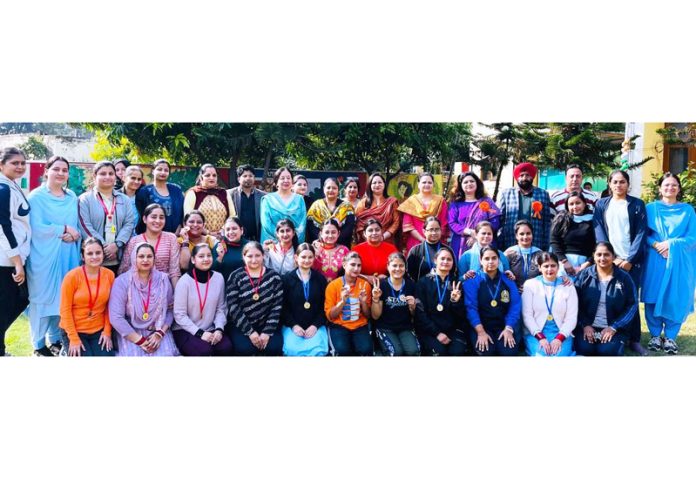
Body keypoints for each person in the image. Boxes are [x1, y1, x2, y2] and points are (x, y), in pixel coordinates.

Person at [27, 156, 81, 356]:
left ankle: (55, 339)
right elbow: (36, 227)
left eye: (65, 170)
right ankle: (38, 345)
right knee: (42, 300)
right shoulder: (36, 197)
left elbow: (76, 225)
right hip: (44, 257)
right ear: (46, 171)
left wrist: (73, 234)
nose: (60, 173)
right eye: (56, 169)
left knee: (63, 299)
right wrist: (63, 228)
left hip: (67, 254)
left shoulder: (72, 197)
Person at [593, 169, 647, 356]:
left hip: (631, 263)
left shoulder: (637, 204)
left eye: (622, 182)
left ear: (628, 184)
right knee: (607, 298)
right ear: (609, 184)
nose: (618, 185)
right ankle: (612, 334)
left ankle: (634, 340)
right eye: (615, 182)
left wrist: (629, 260)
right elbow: (599, 230)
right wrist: (613, 257)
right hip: (607, 260)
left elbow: (641, 233)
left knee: (631, 299)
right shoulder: (601, 204)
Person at [642, 172, 696, 354]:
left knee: (676, 297)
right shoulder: (650, 208)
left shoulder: (688, 211)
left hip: (679, 262)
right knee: (653, 296)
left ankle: (671, 337)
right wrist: (658, 245)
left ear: (679, 188)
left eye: (674, 185)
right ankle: (655, 335)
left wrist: (671, 245)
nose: (670, 188)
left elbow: (692, 237)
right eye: (666, 185)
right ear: (660, 188)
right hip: (655, 259)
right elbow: (644, 234)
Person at [109, 242, 179, 356]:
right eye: (141, 256)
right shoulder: (122, 282)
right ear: (134, 258)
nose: (145, 260)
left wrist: (160, 333)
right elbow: (116, 317)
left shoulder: (163, 280)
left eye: (149, 256)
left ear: (154, 259)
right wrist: (140, 341)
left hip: (158, 327)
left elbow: (170, 309)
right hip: (130, 330)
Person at [574, 242, 637, 356]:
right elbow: (574, 303)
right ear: (594, 256)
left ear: (613, 256)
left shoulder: (624, 277)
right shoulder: (584, 275)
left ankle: (620, 342)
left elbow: (632, 305)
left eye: (606, 254)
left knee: (607, 351)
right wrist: (585, 325)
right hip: (588, 327)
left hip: (614, 328)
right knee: (584, 349)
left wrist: (614, 327)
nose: (602, 258)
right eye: (599, 254)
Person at [172, 243, 234, 356]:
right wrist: (200, 333)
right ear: (193, 259)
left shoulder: (218, 278)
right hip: (185, 329)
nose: (206, 259)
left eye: (209, 255)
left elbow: (221, 308)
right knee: (204, 351)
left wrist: (219, 329)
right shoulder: (184, 282)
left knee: (226, 348)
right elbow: (179, 315)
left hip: (210, 328)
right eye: (201, 256)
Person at [225, 241, 284, 356]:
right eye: (250, 256)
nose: (254, 260)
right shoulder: (235, 276)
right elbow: (233, 307)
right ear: (243, 257)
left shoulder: (274, 277)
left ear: (263, 256)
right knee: (245, 349)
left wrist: (266, 332)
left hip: (267, 324)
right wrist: (250, 332)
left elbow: (277, 307)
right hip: (241, 325)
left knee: (273, 348)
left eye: (257, 255)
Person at [59, 238, 115, 356]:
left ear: (103, 254)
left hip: (99, 331)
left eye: (98, 253)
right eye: (89, 253)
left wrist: (107, 332)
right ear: (82, 256)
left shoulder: (109, 275)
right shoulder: (72, 277)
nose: (94, 256)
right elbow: (65, 311)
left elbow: (110, 307)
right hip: (74, 330)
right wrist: (73, 339)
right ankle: (65, 350)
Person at [78, 160, 136, 273]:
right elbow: (84, 225)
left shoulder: (124, 199)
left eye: (111, 173)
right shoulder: (85, 199)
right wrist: (104, 247)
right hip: (94, 258)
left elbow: (129, 223)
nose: (107, 177)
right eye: (103, 174)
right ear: (94, 176)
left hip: (119, 257)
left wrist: (117, 245)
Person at [0, 147, 31, 357]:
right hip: (7, 261)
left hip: (14, 258)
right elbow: (3, 226)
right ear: (2, 165)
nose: (20, 167)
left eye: (22, 163)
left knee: (16, 301)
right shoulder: (3, 188)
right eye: (14, 163)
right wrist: (17, 262)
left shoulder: (13, 186)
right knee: (18, 299)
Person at [463, 246, 521, 356]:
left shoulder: (508, 280)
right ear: (480, 260)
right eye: (486, 258)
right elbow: (471, 308)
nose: (490, 262)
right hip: (481, 327)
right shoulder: (473, 281)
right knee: (485, 352)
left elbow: (515, 305)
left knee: (508, 352)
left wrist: (508, 328)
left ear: (499, 260)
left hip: (503, 326)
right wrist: (480, 332)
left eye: (494, 258)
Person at [521, 252, 578, 356]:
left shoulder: (568, 286)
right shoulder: (530, 285)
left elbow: (571, 317)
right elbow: (527, 315)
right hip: (536, 334)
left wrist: (559, 338)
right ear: (539, 268)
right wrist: (541, 338)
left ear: (558, 267)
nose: (549, 269)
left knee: (559, 357)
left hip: (561, 333)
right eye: (546, 266)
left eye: (553, 265)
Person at [415, 246, 467, 356]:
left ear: (453, 262)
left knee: (457, 352)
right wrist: (437, 333)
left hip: (453, 330)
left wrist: (455, 302)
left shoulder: (456, 284)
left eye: (449, 259)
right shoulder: (423, 282)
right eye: (442, 258)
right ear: (435, 260)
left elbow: (462, 314)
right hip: (430, 331)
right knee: (439, 352)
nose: (445, 262)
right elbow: (420, 313)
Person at [281, 243, 329, 356]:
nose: (307, 260)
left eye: (310, 257)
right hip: (293, 326)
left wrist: (315, 325)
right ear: (296, 258)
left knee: (318, 351)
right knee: (293, 351)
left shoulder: (320, 279)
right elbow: (283, 307)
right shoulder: (286, 279)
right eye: (303, 257)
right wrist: (294, 325)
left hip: (315, 326)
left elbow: (325, 306)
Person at [119, 204, 181, 289]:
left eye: (161, 217)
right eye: (154, 217)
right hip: (138, 289)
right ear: (144, 219)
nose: (158, 221)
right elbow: (124, 269)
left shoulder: (171, 238)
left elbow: (174, 271)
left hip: (163, 288)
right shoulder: (134, 241)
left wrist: (176, 295)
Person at [324, 251, 373, 356]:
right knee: (343, 351)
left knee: (366, 350)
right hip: (339, 325)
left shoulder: (365, 285)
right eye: (352, 264)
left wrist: (363, 302)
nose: (356, 268)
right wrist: (342, 302)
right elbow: (330, 317)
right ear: (344, 265)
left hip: (360, 325)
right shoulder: (333, 285)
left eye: (359, 265)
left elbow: (368, 315)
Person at [371, 252, 419, 356]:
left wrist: (413, 307)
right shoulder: (381, 285)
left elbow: (414, 315)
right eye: (394, 265)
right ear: (388, 267)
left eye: (401, 265)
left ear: (405, 267)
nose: (398, 269)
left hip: (405, 327)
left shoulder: (411, 285)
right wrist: (375, 299)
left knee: (414, 351)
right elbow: (375, 316)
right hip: (385, 327)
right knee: (396, 352)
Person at [497, 162, 552, 251]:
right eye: (521, 175)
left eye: (527, 175)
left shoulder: (543, 194)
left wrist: (546, 244)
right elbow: (501, 220)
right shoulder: (506, 194)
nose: (524, 178)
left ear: (532, 177)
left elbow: (546, 222)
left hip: (536, 241)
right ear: (517, 178)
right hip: (510, 241)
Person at [447, 171, 501, 258]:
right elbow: (452, 223)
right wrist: (469, 232)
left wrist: (478, 236)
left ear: (477, 183)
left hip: (485, 242)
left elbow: (495, 221)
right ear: (461, 186)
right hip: (460, 243)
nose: (469, 184)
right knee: (462, 268)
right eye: (465, 182)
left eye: (472, 181)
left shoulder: (487, 201)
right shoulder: (455, 204)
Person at [398, 172, 449, 253]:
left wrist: (434, 238)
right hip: (415, 242)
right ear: (418, 184)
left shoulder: (440, 201)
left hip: (437, 242)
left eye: (429, 182)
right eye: (424, 182)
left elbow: (444, 223)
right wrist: (423, 240)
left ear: (433, 184)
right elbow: (408, 225)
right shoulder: (411, 202)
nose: (427, 184)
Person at [550, 191, 595, 278]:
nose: (575, 206)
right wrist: (564, 262)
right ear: (567, 206)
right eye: (571, 204)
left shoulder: (592, 221)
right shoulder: (561, 219)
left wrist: (588, 263)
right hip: (563, 263)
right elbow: (554, 242)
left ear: (584, 203)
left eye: (578, 203)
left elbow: (597, 245)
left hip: (585, 264)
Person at [183, 163, 236, 237]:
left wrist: (222, 231)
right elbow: (188, 219)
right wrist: (208, 233)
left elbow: (232, 216)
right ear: (201, 178)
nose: (212, 178)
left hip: (222, 237)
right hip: (199, 239)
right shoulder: (194, 193)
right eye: (207, 175)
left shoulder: (224, 193)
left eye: (214, 175)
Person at [135, 159, 185, 234]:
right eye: (159, 169)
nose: (163, 172)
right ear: (153, 171)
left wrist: (178, 231)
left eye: (166, 170)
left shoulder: (176, 190)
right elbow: (141, 216)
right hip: (151, 235)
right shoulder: (144, 192)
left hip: (175, 235)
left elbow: (182, 212)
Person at [260, 167, 307, 243]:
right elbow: (266, 224)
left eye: (288, 178)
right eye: (282, 178)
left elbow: (302, 223)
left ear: (292, 181)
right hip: (273, 244)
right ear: (276, 182)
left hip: (294, 243)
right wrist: (281, 237)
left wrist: (291, 238)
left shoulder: (299, 199)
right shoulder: (268, 199)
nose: (286, 180)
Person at [354, 173, 401, 247]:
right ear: (370, 185)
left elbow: (396, 222)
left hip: (387, 241)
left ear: (384, 184)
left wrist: (383, 237)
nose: (377, 185)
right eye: (374, 183)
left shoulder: (392, 202)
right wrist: (370, 238)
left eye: (380, 182)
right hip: (367, 242)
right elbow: (358, 224)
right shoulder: (363, 203)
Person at [306, 177, 355, 247]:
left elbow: (349, 227)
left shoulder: (347, 207)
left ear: (338, 190)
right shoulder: (316, 206)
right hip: (320, 246)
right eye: (328, 188)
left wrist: (334, 240)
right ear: (324, 189)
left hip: (341, 246)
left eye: (334, 188)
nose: (331, 190)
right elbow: (311, 228)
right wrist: (324, 240)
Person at [228, 164, 266, 241]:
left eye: (250, 176)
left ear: (254, 178)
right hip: (237, 239)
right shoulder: (229, 194)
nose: (248, 178)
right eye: (245, 176)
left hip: (256, 239)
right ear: (239, 179)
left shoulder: (263, 196)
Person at [503, 220, 544, 292]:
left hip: (535, 292)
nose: (525, 237)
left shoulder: (540, 254)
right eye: (521, 234)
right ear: (516, 236)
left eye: (528, 233)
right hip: (513, 292)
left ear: (532, 234)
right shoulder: (508, 253)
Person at [406, 216, 445, 283]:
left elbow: (453, 273)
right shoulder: (415, 251)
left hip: (442, 289)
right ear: (424, 231)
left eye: (437, 229)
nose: (434, 233)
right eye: (431, 229)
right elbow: (408, 274)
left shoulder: (446, 251)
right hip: (420, 290)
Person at [212, 217, 247, 282]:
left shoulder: (249, 246)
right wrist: (219, 258)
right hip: (225, 287)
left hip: (247, 286)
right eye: (227, 229)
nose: (231, 232)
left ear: (241, 230)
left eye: (234, 228)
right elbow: (212, 272)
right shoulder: (219, 246)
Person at [120, 164, 143, 233]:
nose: (136, 182)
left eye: (139, 179)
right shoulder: (115, 196)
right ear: (124, 178)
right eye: (133, 178)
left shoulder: (143, 198)